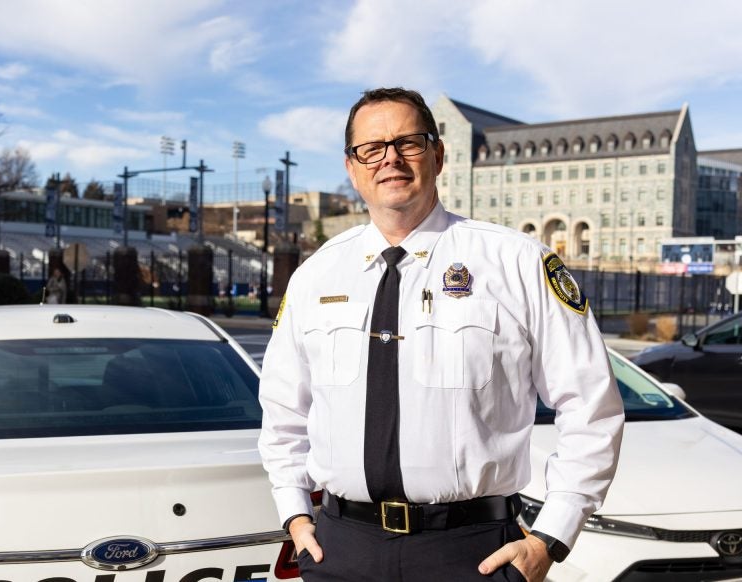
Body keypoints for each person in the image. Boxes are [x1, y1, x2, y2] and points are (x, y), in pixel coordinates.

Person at [258, 87, 624, 582]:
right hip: (342, 551)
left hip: (471, 554)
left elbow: (590, 404)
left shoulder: (516, 263)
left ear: (438, 154)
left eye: (408, 142)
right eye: (372, 148)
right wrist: (295, 512)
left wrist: (550, 537)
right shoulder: (315, 276)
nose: (391, 158)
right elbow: (284, 412)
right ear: (352, 167)